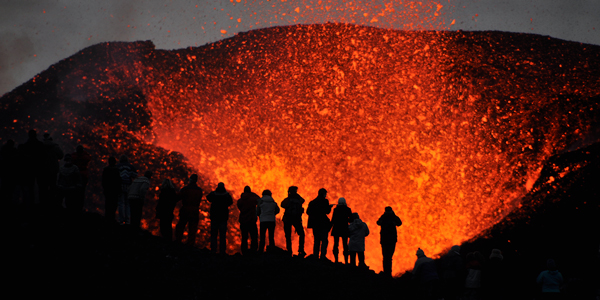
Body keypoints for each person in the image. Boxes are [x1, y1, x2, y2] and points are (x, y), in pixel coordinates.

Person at [18, 129, 45, 205]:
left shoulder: (26, 145)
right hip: (39, 168)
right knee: (41, 186)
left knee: (31, 186)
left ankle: (31, 202)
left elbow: (23, 158)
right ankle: (42, 202)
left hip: (30, 169)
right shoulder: (40, 144)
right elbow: (43, 157)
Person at [175, 174, 204, 245]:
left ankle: (178, 241)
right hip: (195, 210)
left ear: (190, 180)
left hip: (186, 209)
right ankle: (190, 244)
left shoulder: (185, 189)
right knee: (192, 228)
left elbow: (177, 197)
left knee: (181, 226)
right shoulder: (199, 190)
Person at [207, 182, 233, 254]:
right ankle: (222, 251)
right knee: (222, 235)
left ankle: (213, 249)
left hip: (214, 217)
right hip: (223, 217)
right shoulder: (227, 195)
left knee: (214, 234)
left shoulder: (214, 194)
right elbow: (230, 202)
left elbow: (208, 197)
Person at [306, 188, 332, 260]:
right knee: (324, 240)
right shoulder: (325, 201)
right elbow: (327, 211)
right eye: (325, 194)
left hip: (315, 224)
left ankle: (315, 255)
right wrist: (330, 207)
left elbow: (308, 212)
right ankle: (322, 256)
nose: (326, 195)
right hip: (323, 224)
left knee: (316, 240)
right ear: (323, 194)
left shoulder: (312, 202)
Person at [376, 206, 402, 276]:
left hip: (385, 240)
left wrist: (385, 215)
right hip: (391, 240)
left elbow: (378, 222)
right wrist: (393, 215)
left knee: (385, 257)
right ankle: (388, 273)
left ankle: (386, 272)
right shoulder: (391, 217)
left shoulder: (384, 217)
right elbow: (399, 223)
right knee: (389, 257)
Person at [281, 186, 306, 257]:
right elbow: (303, 200)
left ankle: (289, 250)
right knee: (301, 234)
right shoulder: (299, 199)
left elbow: (282, 204)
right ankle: (301, 250)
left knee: (288, 236)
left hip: (287, 219)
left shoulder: (287, 199)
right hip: (296, 219)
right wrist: (297, 196)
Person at [39, 133, 63, 207]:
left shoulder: (40, 146)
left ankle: (43, 204)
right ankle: (52, 204)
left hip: (43, 170)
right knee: (53, 186)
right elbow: (61, 155)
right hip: (53, 169)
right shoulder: (55, 147)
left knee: (43, 188)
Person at [236, 186, 260, 255]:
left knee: (244, 237)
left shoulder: (240, 200)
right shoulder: (253, 199)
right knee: (254, 237)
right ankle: (253, 251)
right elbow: (259, 200)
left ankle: (244, 252)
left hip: (243, 221)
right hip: (252, 221)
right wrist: (253, 194)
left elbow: (239, 207)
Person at [330, 197, 353, 263]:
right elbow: (351, 220)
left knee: (336, 244)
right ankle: (346, 261)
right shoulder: (348, 209)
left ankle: (336, 260)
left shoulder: (336, 209)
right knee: (345, 245)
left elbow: (333, 220)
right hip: (344, 228)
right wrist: (346, 220)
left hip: (336, 228)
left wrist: (329, 228)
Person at [117, 155, 137, 225]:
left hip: (120, 186)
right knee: (128, 204)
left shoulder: (118, 166)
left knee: (121, 203)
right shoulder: (131, 167)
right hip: (129, 186)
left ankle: (121, 220)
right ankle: (128, 221)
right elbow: (135, 175)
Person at [102, 156, 122, 222]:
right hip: (114, 190)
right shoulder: (116, 170)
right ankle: (112, 218)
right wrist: (119, 190)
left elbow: (103, 181)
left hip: (108, 190)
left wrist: (104, 189)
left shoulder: (106, 170)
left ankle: (107, 217)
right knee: (113, 204)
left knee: (108, 203)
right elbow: (119, 181)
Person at [0, 139, 18, 204]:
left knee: (5, 188)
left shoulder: (3, 152)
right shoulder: (13, 152)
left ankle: (4, 202)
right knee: (10, 189)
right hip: (11, 173)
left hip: (6, 173)